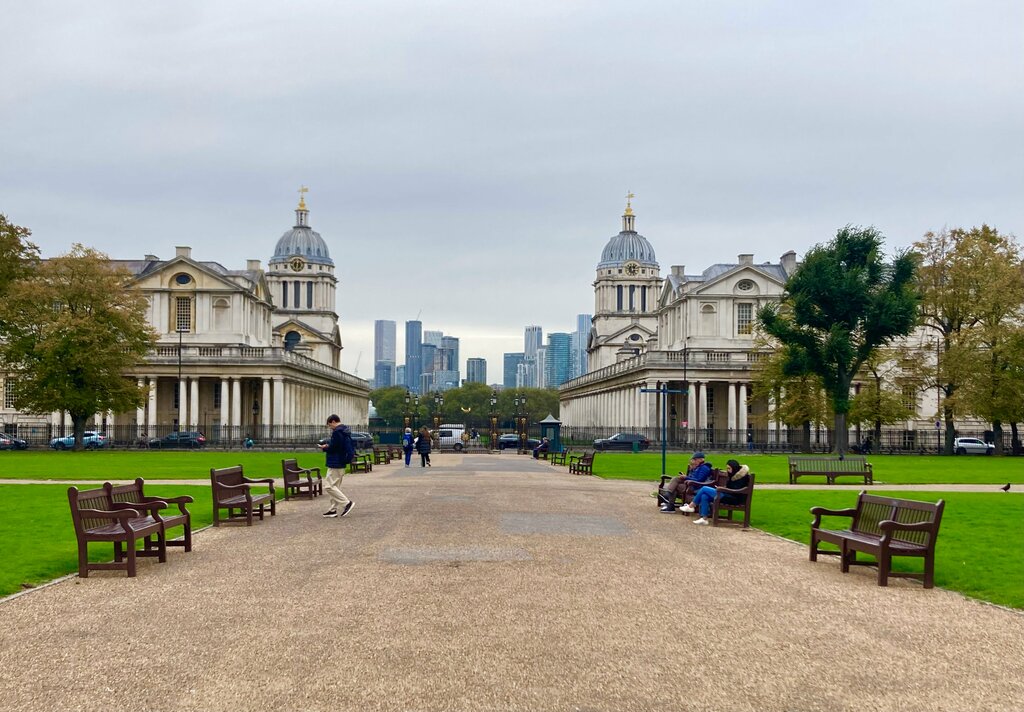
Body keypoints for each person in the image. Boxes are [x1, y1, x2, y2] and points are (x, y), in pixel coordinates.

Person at [681, 459, 750, 525]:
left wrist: (722, 489)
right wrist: (723, 488)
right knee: (704, 496)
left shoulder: (742, 477)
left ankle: (691, 506)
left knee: (704, 488)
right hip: (727, 494)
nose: (727, 470)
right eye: (727, 468)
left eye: (729, 468)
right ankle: (704, 519)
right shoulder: (733, 475)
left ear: (734, 468)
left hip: (734, 498)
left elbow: (736, 490)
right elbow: (730, 487)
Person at [318, 414, 355, 518]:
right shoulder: (344, 431)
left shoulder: (337, 432)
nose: (330, 427)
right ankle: (333, 509)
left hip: (336, 462)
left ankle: (347, 503)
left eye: (330, 425)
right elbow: (339, 446)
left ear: (334, 421)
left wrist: (325, 448)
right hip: (341, 460)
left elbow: (335, 448)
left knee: (329, 486)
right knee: (335, 487)